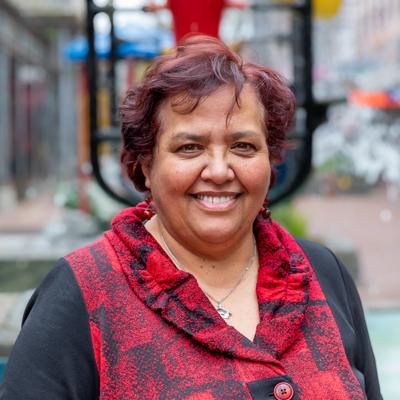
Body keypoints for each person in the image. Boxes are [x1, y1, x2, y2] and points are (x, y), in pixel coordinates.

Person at [0, 36, 382, 400]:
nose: (219, 170)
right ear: (146, 164)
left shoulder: (320, 272)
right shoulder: (84, 294)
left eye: (243, 146)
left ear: (270, 159)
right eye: (189, 147)